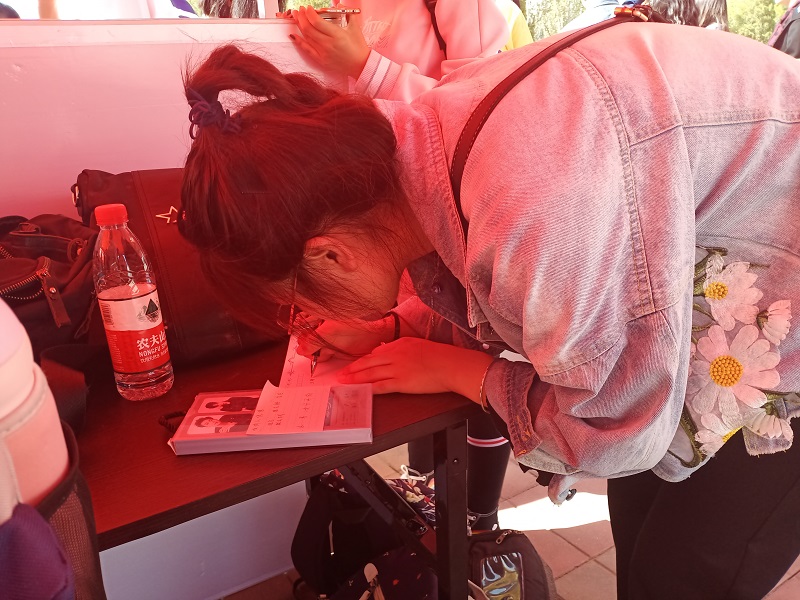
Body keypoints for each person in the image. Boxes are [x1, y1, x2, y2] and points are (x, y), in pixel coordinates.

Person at [177, 18, 800, 599]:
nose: (309, 315)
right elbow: (485, 272)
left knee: (683, 576)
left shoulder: (529, 203)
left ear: (330, 254)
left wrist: (465, 372)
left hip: (783, 322)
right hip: (731, 270)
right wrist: (399, 326)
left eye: (298, 300)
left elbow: (616, 429)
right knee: (644, 540)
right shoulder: (429, 139)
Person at [286, 0, 516, 530]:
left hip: (460, 234)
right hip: (407, 243)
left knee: (474, 358)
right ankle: (433, 499)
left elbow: (485, 119)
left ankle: (478, 519)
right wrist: (393, 326)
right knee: (419, 376)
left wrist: (366, 66)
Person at [287, 1, 511, 102]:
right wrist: (292, 34)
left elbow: (470, 108)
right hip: (366, 162)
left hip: (426, 175)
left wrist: (363, 66)